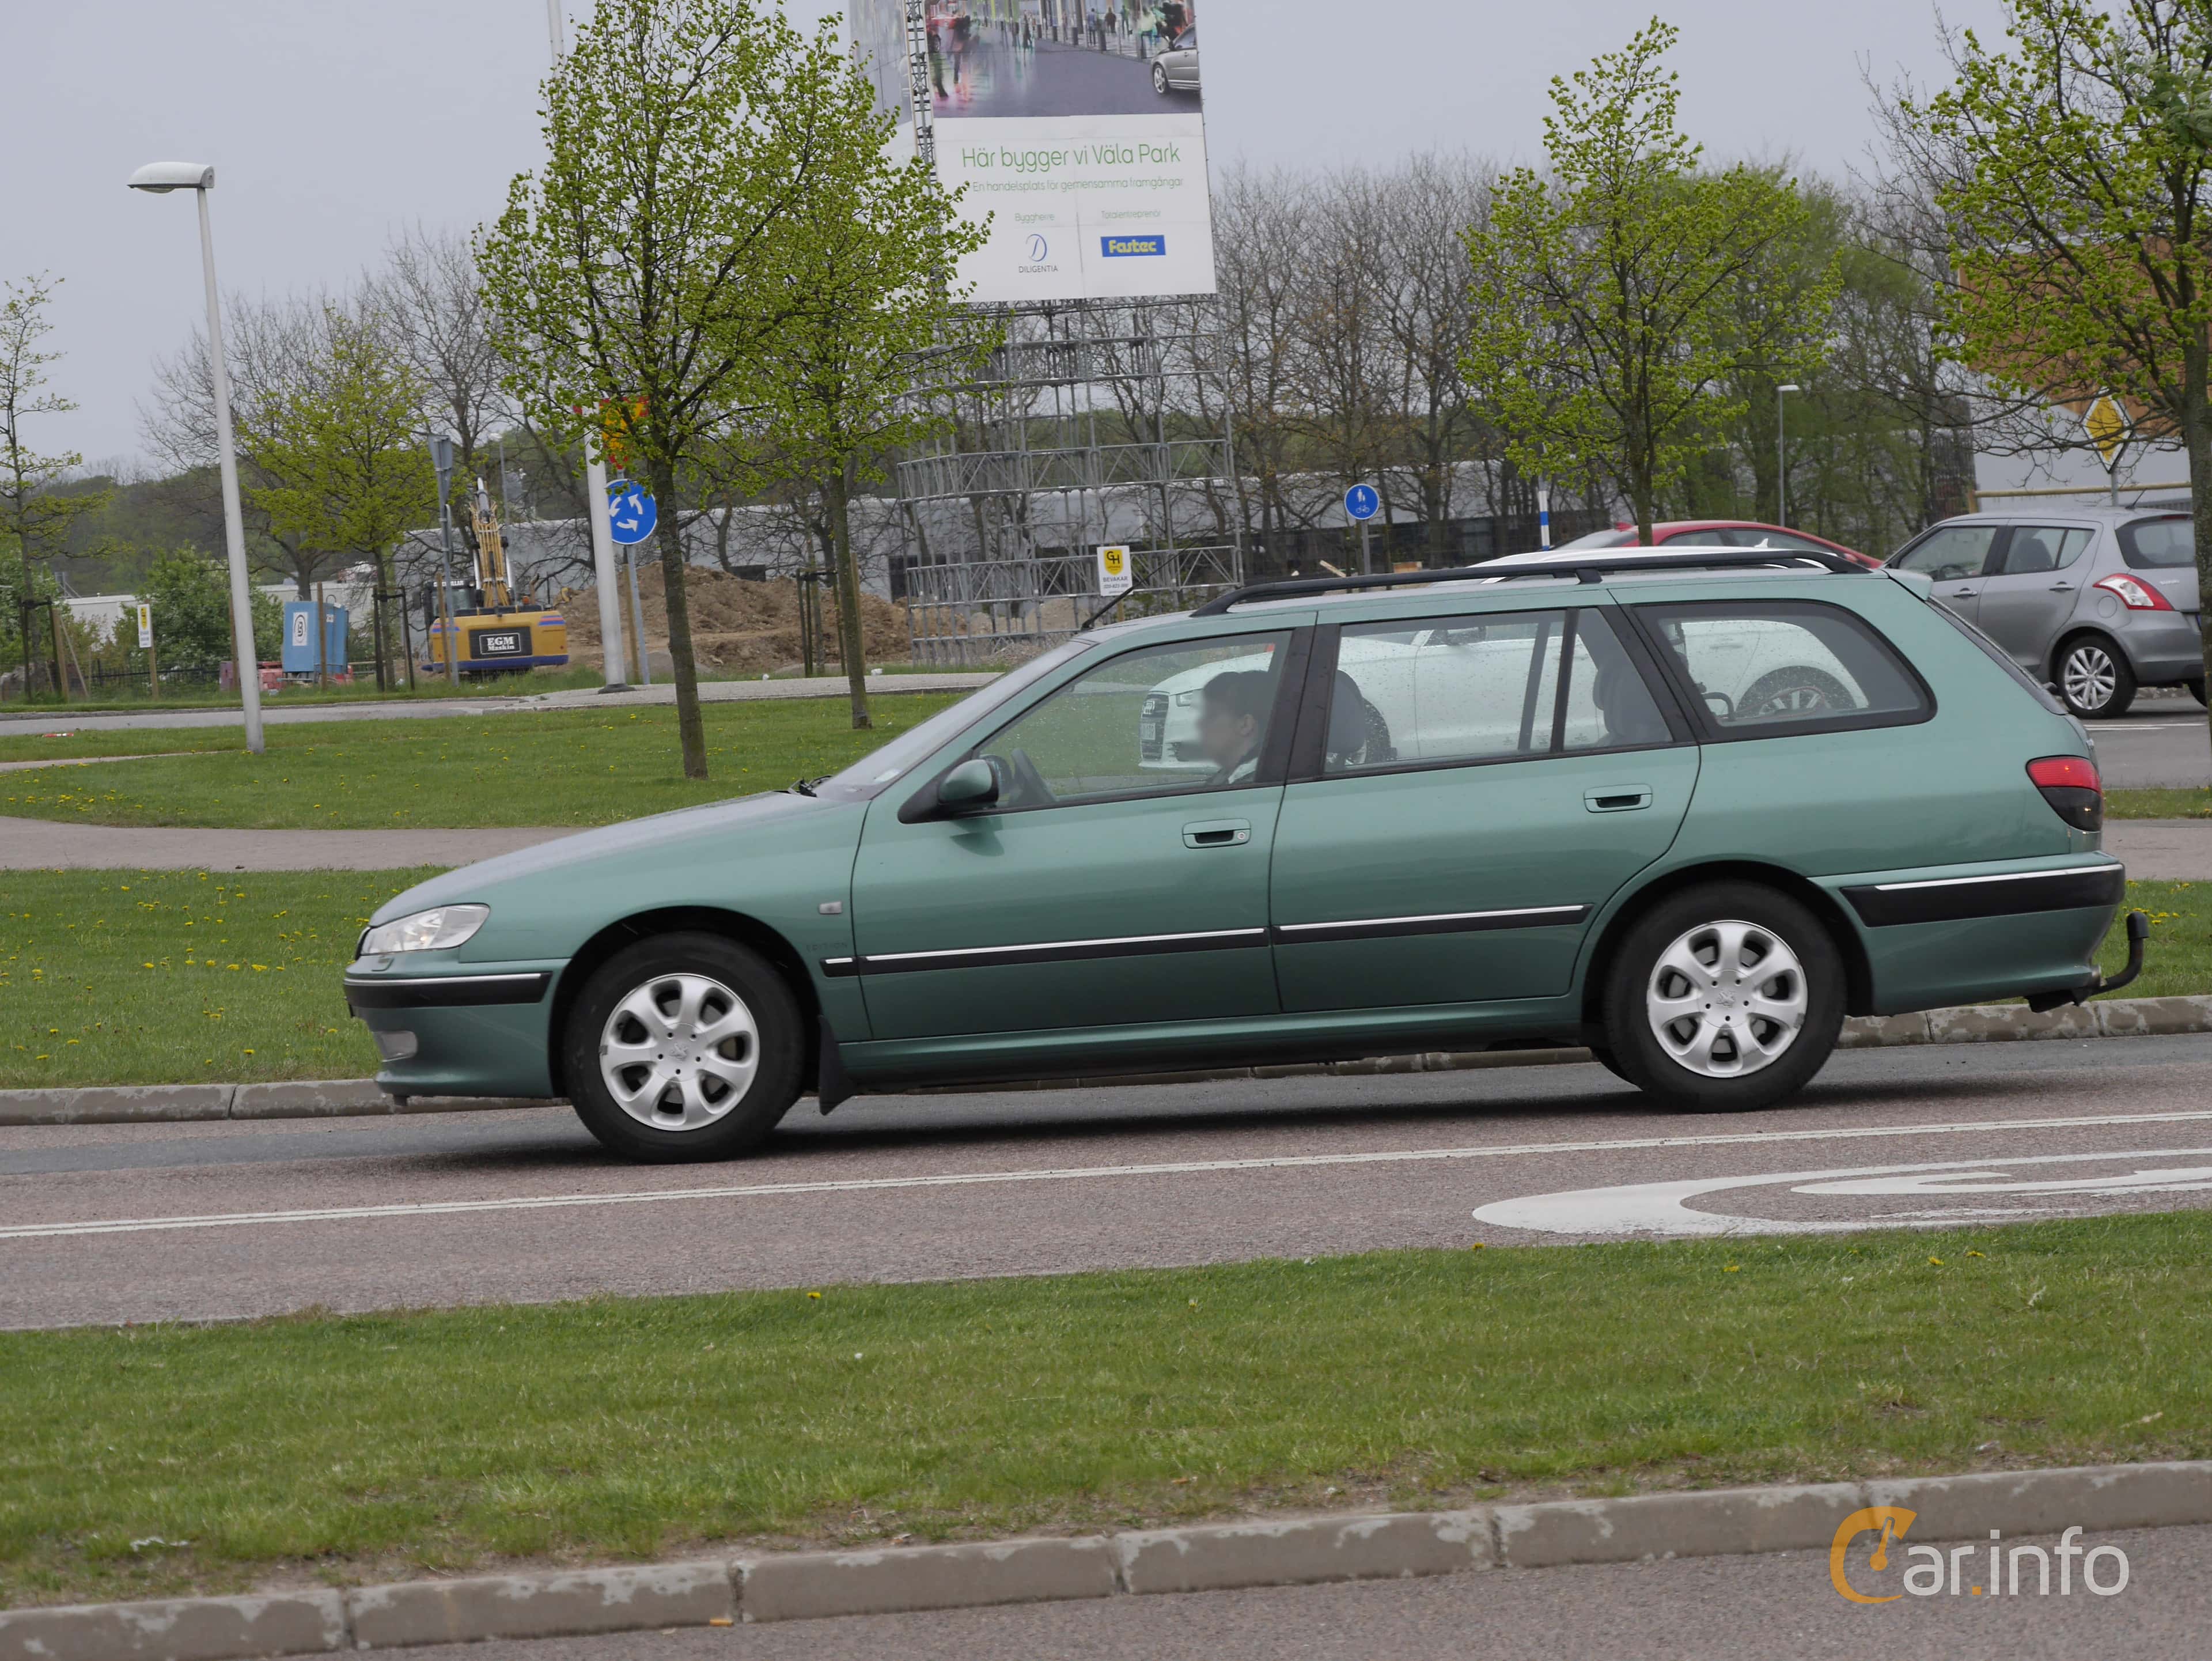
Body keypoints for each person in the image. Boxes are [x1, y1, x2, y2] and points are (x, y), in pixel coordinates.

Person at [1195, 669, 1273, 786]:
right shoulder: (1234, 779)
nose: (1199, 723)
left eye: (1212, 715)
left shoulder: (1249, 791)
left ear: (1245, 725)